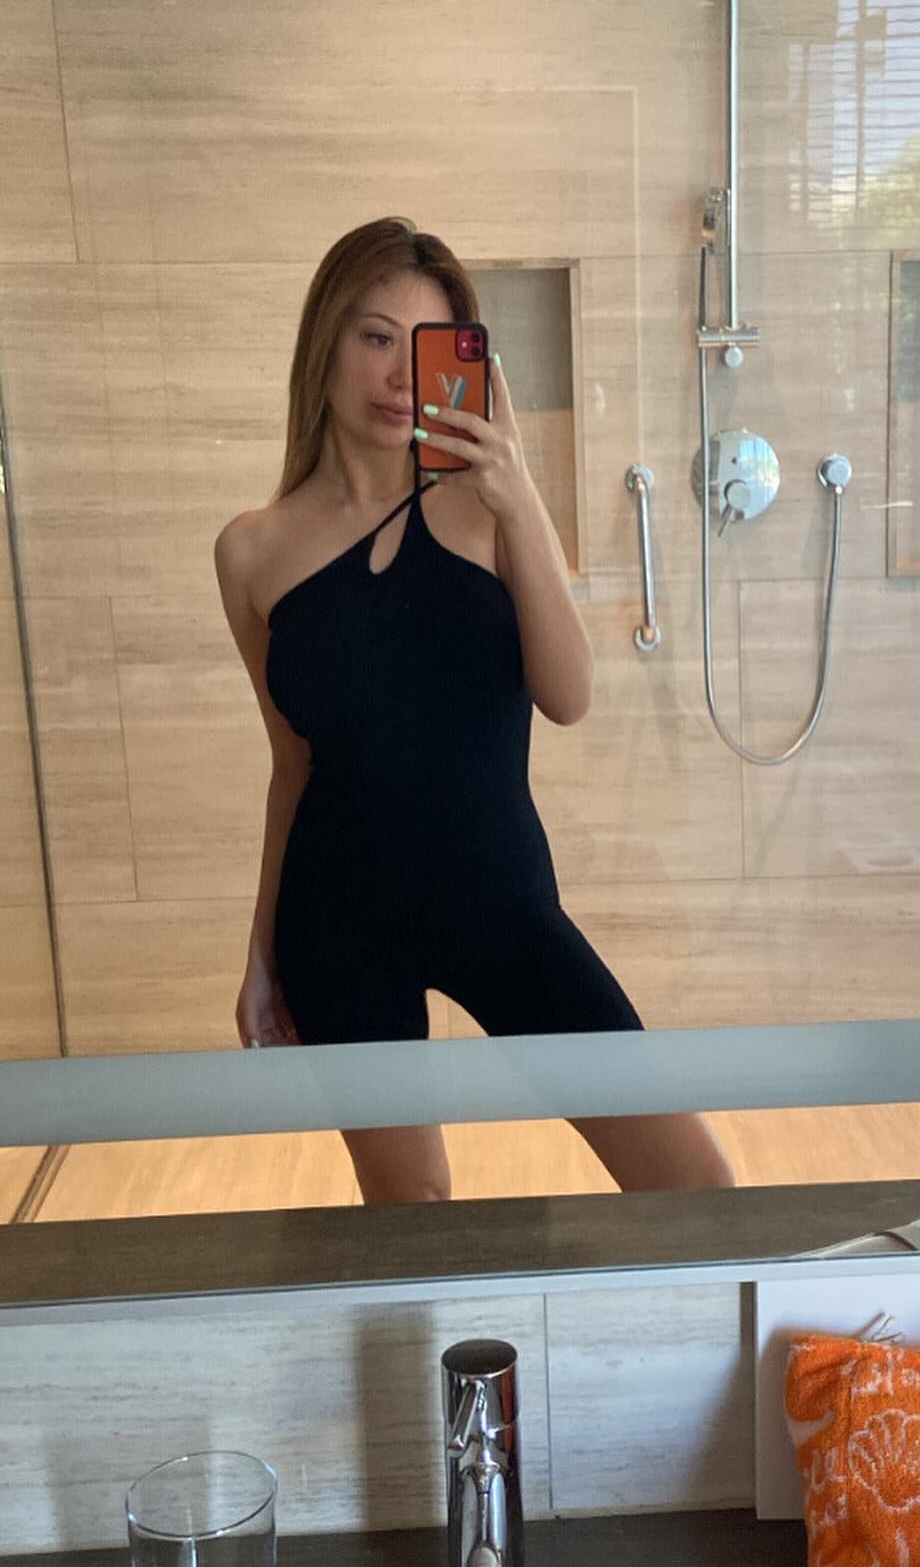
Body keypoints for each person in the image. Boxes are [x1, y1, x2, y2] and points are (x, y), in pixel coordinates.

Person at [214, 217, 736, 1205]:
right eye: (375, 337)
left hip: (501, 906)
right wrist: (261, 955)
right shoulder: (251, 551)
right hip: (337, 923)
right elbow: (292, 767)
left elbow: (569, 697)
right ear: (324, 339)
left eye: (423, 348)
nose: (397, 376)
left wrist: (520, 493)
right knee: (413, 1218)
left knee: (693, 1182)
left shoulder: (484, 508)